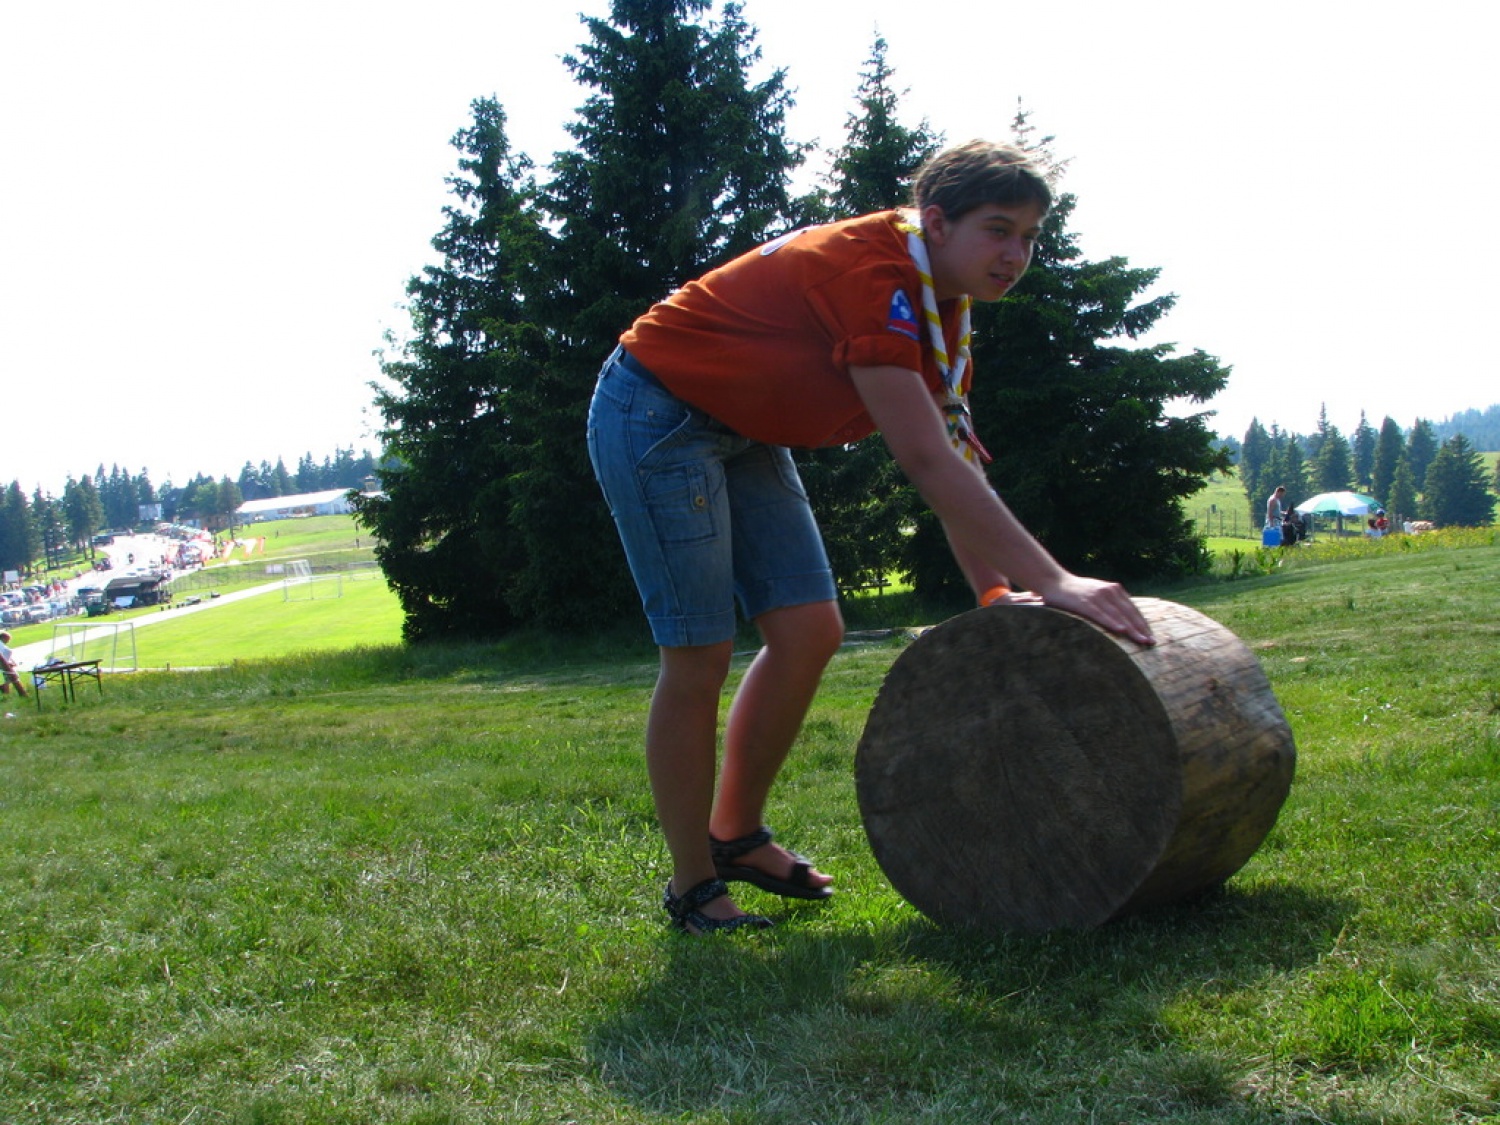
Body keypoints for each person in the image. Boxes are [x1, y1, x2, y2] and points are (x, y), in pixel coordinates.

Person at [586, 139, 1156, 936]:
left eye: (1029, 236)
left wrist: (996, 592)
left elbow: (956, 457)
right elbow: (922, 460)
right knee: (698, 653)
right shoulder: (875, 275)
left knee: (810, 630)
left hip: (744, 428)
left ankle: (735, 835)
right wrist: (1055, 579)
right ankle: (692, 887)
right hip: (659, 412)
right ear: (936, 221)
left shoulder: (939, 303)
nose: (1016, 254)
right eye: (998, 229)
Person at [0, 631, 28, 699]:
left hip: (7, 664)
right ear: (3, 638)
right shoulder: (0, 645)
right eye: (8, 639)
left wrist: (12, 661)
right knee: (11, 677)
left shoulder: (3, 645)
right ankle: (6, 691)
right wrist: (7, 663)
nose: (8, 641)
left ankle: (5, 690)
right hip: (4, 665)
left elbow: (7, 655)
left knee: (11, 678)